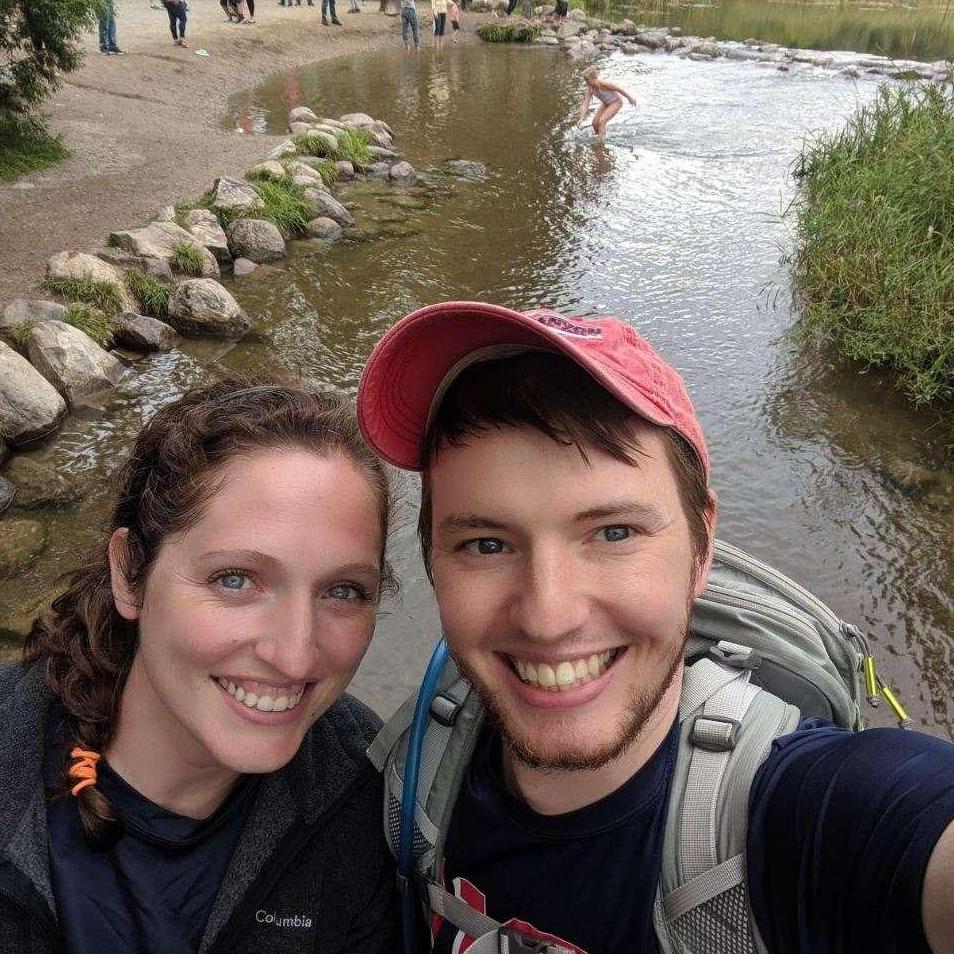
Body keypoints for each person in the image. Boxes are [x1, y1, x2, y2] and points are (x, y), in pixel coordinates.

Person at [356, 301, 954, 954]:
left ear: (701, 549)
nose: (549, 616)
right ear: (434, 564)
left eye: (614, 532)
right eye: (486, 544)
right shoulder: (414, 772)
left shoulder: (803, 814)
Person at [0, 380, 400, 953]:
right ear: (128, 574)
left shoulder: (367, 798)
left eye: (343, 590)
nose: (294, 654)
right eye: (234, 580)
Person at [577, 66, 636, 138]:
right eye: (585, 80)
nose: (587, 82)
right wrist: (581, 119)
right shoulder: (589, 89)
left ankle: (600, 142)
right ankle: (600, 136)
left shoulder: (604, 84)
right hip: (606, 103)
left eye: (587, 80)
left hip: (616, 102)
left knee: (602, 121)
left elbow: (619, 89)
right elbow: (585, 104)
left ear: (594, 78)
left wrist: (630, 98)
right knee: (594, 123)